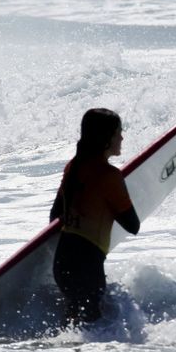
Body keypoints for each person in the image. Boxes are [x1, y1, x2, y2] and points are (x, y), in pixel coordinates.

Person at [49, 108, 140, 327]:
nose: (122, 137)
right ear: (106, 138)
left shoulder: (73, 167)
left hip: (62, 261)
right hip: (87, 265)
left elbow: (54, 215)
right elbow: (132, 224)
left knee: (73, 329)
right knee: (91, 334)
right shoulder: (109, 176)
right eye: (118, 132)